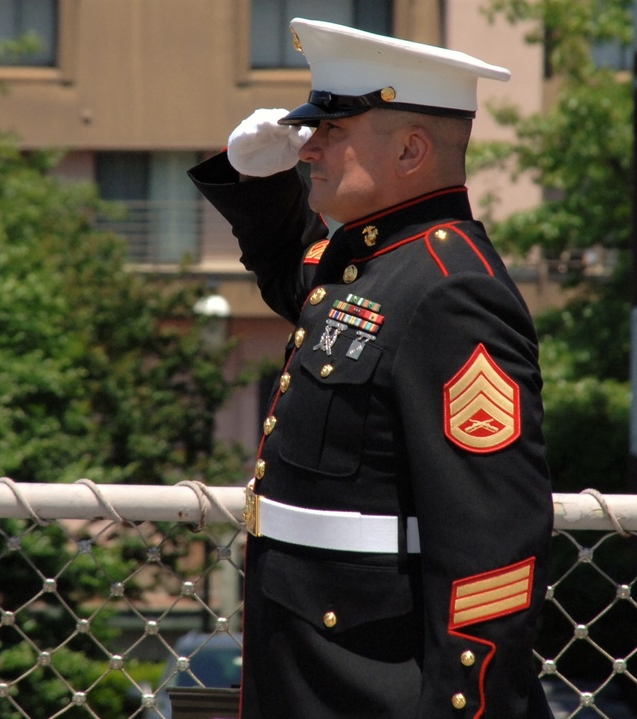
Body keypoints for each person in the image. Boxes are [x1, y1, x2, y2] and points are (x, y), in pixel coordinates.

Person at [189, 18, 554, 719]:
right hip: (312, 677)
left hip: (378, 689)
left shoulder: (451, 290)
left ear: (414, 148)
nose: (309, 147)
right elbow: (288, 278)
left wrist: (462, 707)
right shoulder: (370, 267)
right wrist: (252, 177)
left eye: (333, 129)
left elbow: (492, 549)